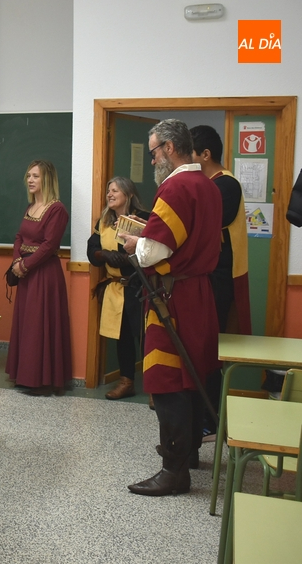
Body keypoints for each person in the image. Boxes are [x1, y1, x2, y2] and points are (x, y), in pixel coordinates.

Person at [121, 119, 222, 496]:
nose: (151, 161)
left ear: (170, 148)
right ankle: (190, 452)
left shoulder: (176, 186)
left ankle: (174, 470)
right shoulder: (210, 186)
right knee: (194, 375)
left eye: (153, 152)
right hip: (199, 294)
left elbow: (155, 252)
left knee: (168, 383)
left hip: (173, 297)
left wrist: (136, 244)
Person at [190, 125, 253, 438]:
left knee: (211, 350)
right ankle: (200, 415)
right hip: (205, 276)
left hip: (220, 278)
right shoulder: (206, 183)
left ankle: (210, 420)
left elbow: (205, 220)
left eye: (192, 153)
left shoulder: (226, 184)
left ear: (205, 154)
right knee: (200, 349)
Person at [6, 160, 73, 396]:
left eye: (35, 176)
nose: (30, 180)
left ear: (47, 179)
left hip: (44, 275)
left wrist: (25, 265)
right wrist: (16, 262)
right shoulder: (30, 206)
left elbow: (49, 245)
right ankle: (25, 375)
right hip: (25, 273)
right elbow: (18, 236)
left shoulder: (57, 210)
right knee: (27, 324)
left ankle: (41, 379)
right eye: (28, 176)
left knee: (40, 324)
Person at [87, 177, 149, 400]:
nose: (109, 195)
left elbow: (150, 251)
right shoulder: (103, 221)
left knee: (145, 338)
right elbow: (91, 248)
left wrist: (124, 258)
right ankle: (126, 381)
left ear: (129, 194)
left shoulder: (144, 220)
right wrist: (103, 255)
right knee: (122, 337)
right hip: (116, 288)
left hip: (138, 288)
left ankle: (155, 388)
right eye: (108, 191)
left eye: (115, 191)